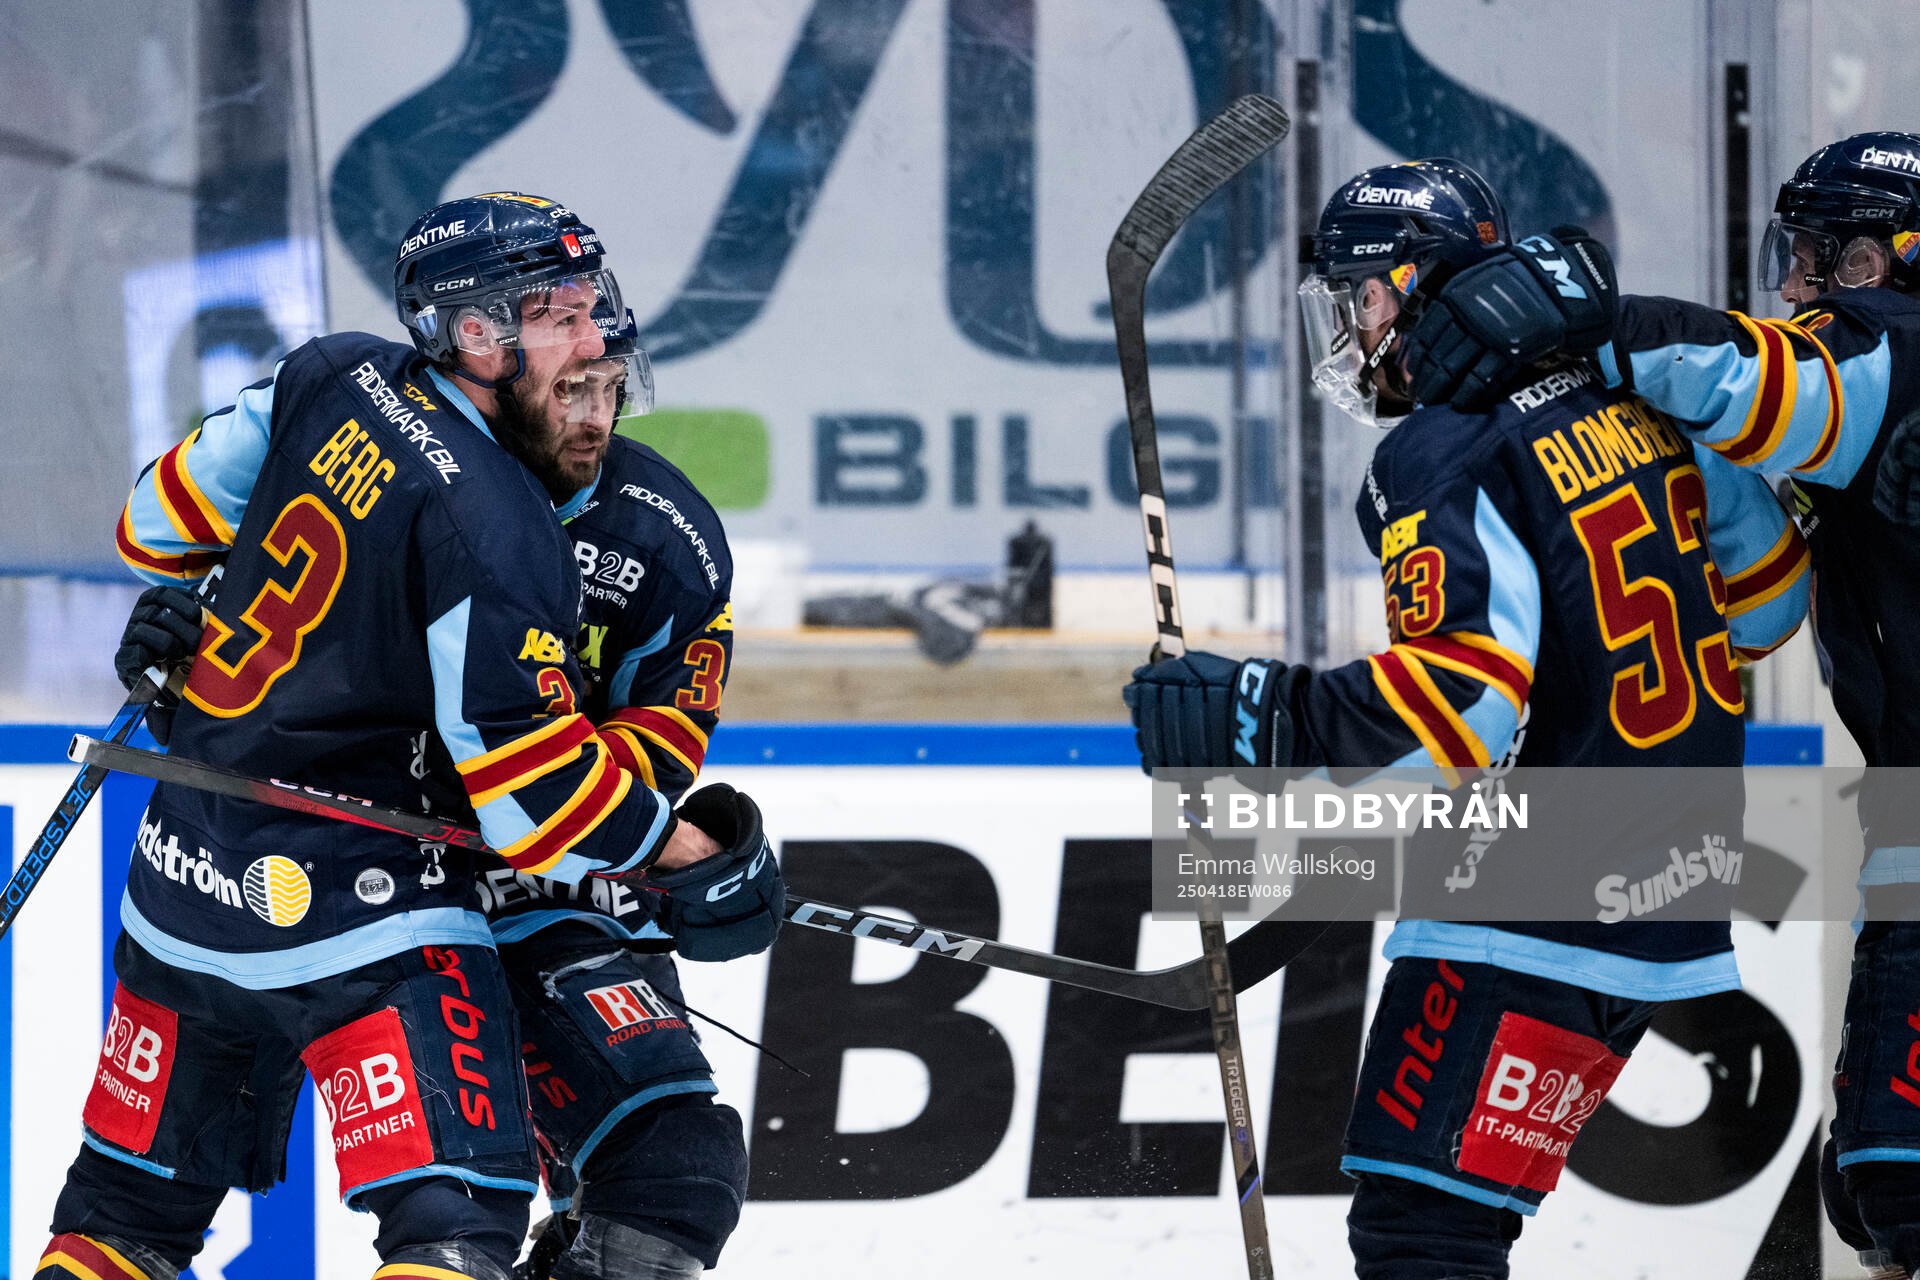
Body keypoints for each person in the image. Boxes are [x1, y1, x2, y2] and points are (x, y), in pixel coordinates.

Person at [45, 192, 772, 1280]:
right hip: (387, 889)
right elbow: (546, 795)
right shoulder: (493, 521)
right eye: (564, 328)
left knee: (674, 1176)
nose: (597, 358)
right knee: (450, 1229)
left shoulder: (655, 542)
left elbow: (158, 520)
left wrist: (663, 852)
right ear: (475, 334)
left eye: (604, 350)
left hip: (498, 888)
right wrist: (680, 854)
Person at [1122, 159, 1809, 1279]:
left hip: (1529, 904)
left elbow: (1464, 709)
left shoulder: (1439, 449)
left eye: (1361, 297)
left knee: (1422, 1233)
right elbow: (1772, 595)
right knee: (1457, 1220)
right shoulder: (1634, 398)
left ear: (1413, 290)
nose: (1352, 330)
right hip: (1671, 896)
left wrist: (1264, 715)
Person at [1394, 129, 1920, 1279]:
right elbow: (1770, 589)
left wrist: (1588, 321)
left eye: (1831, 260)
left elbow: (1763, 379)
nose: (1798, 287)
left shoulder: (1903, 350)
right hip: (1903, 823)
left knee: (1905, 1179)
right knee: (1889, 1178)